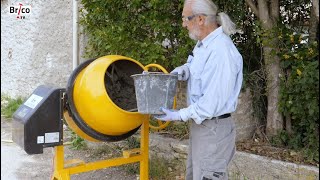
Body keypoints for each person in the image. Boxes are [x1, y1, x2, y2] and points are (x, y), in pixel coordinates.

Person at [155, 0, 243, 179]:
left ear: (200, 19)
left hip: (213, 128)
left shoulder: (221, 52)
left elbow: (210, 104)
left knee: (206, 176)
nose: (183, 24)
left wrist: (178, 115)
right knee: (195, 174)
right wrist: (185, 70)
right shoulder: (204, 44)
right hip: (202, 126)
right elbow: (196, 65)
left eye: (185, 19)